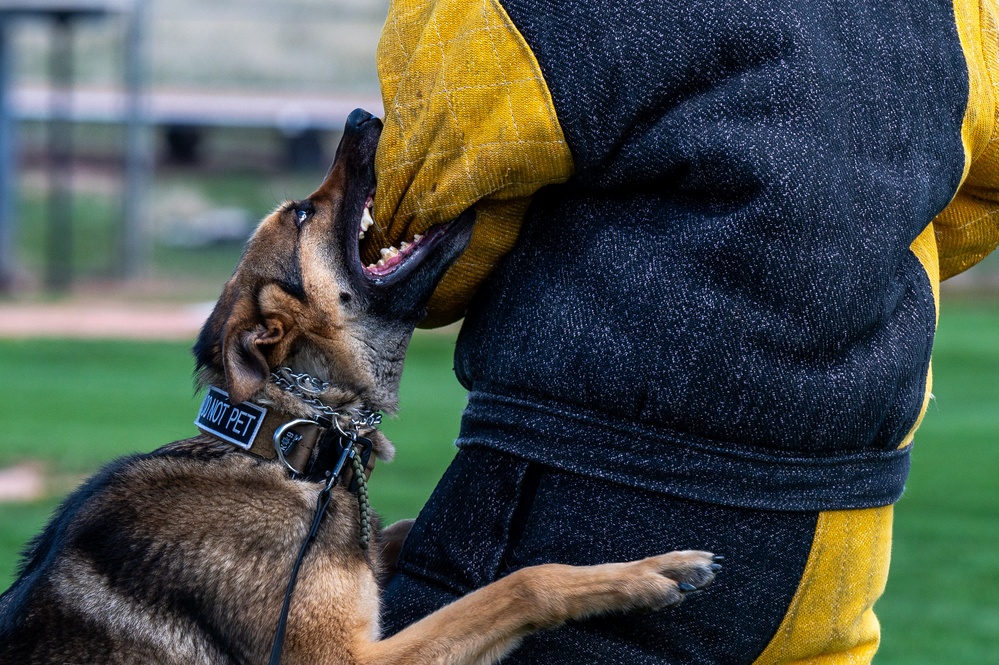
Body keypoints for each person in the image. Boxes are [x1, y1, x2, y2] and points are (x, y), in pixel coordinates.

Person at [362, 0, 999, 661]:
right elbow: (984, 183)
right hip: (840, 533)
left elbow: (423, 230)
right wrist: (837, 274)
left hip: (589, 490)